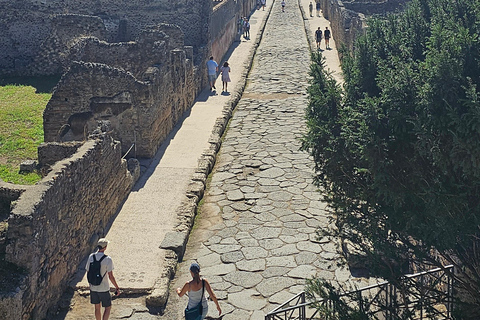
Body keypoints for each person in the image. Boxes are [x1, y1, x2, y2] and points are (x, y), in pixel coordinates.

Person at [86, 238, 120, 320]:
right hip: (104, 288)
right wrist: (117, 287)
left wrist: (91, 284)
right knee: (107, 308)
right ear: (105, 247)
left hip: (93, 287)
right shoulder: (108, 259)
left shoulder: (91, 257)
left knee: (97, 308)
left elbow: (88, 271)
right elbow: (110, 276)